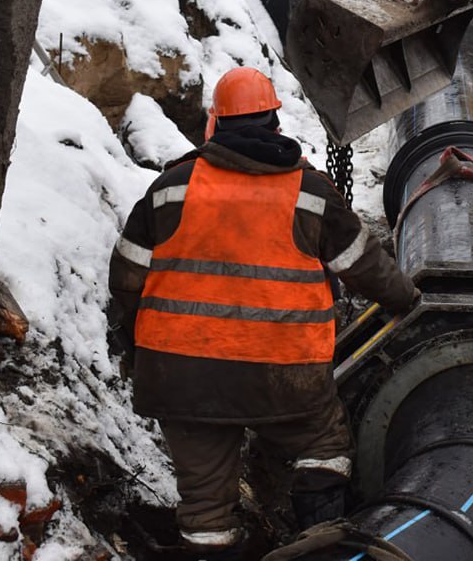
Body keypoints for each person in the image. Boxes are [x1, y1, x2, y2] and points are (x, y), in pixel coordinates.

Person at [107, 68, 418, 560]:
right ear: (276, 122)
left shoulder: (171, 188)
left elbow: (125, 278)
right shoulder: (310, 193)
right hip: (282, 373)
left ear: (215, 125)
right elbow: (365, 267)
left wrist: (142, 339)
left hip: (180, 377)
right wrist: (410, 301)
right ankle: (317, 544)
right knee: (324, 447)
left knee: (205, 506)